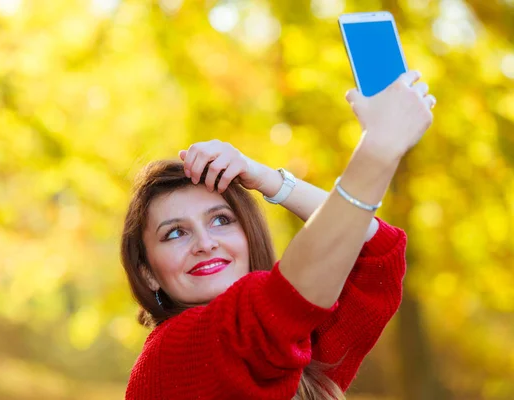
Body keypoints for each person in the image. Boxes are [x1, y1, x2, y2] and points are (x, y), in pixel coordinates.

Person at [122, 70, 436, 400]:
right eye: (175, 233)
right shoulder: (172, 353)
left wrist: (266, 179)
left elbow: (375, 254)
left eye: (220, 220)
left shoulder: (299, 340)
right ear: (148, 273)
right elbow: (285, 300)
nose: (205, 243)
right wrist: (379, 147)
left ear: (248, 234)